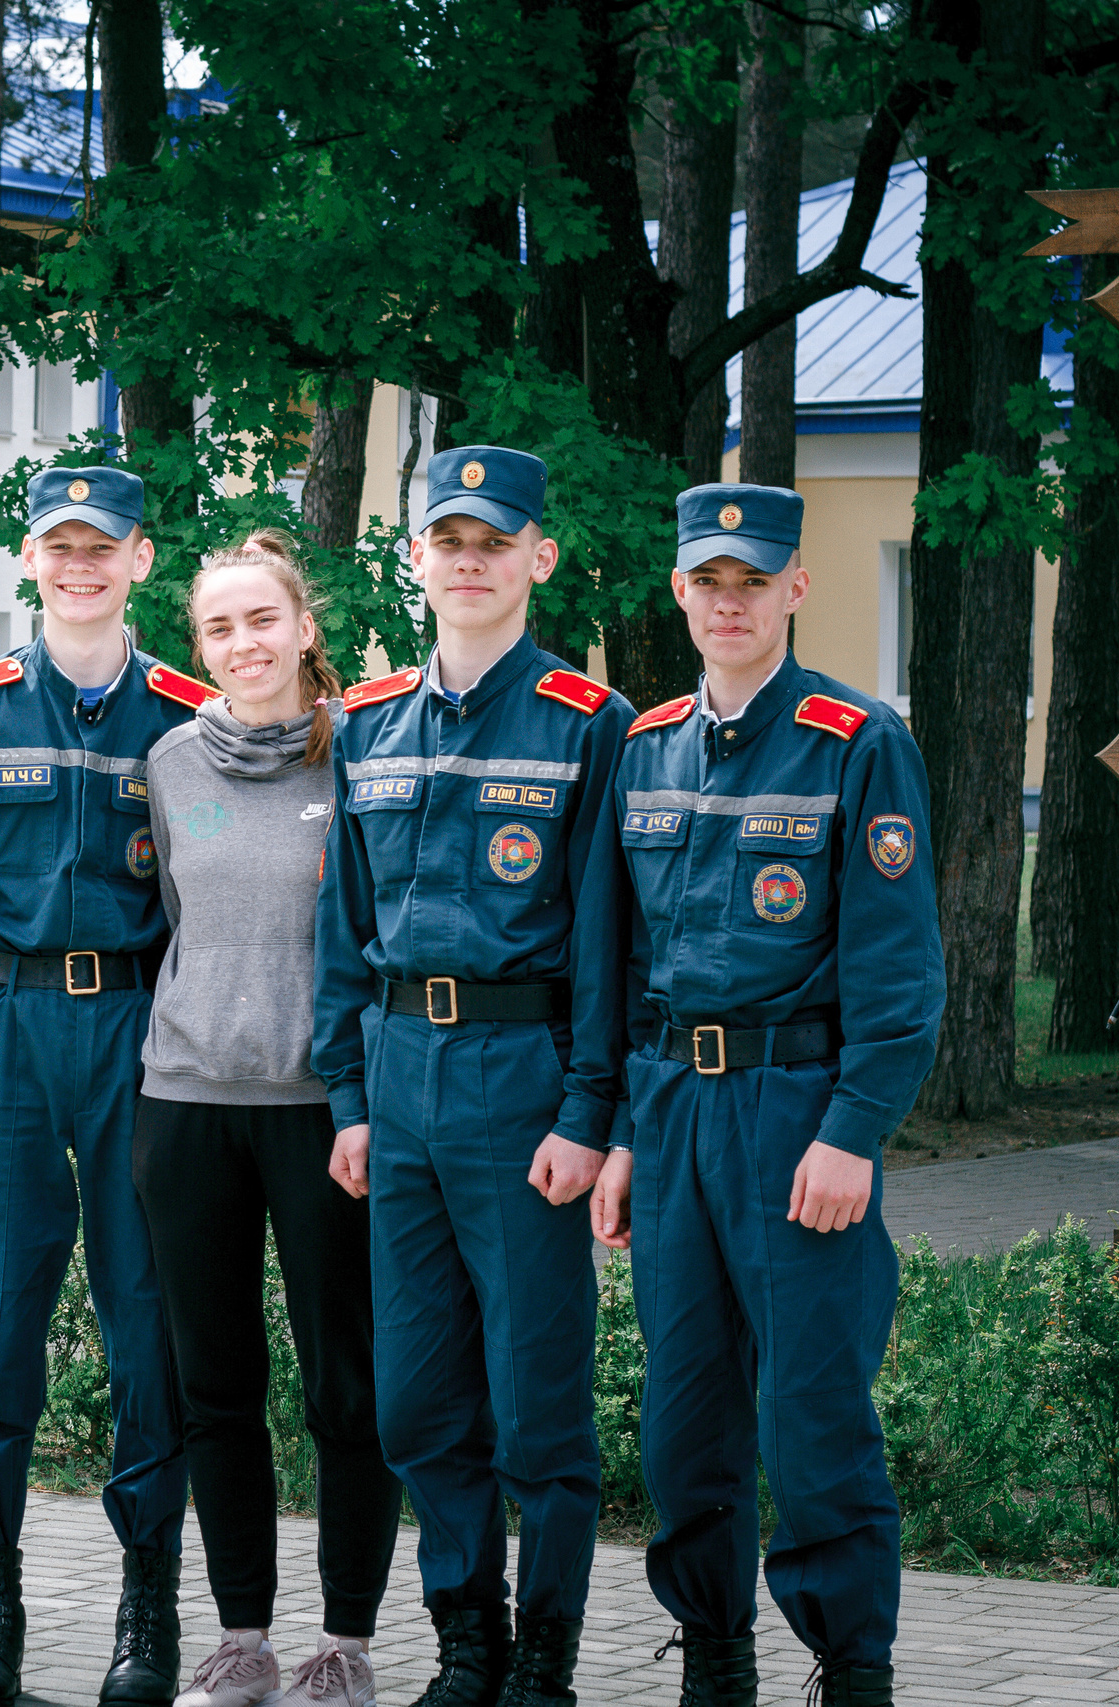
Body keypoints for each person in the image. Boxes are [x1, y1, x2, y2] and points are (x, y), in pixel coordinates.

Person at [590, 485, 940, 1707]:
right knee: (684, 1418)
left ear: (794, 586)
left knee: (810, 1414)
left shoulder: (855, 741)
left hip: (797, 1117)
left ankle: (853, 1668)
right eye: (708, 581)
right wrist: (623, 1135)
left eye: (752, 580)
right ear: (679, 591)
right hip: (672, 1110)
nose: (728, 602)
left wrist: (854, 1132)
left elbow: (900, 972)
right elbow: (629, 969)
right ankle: (714, 1659)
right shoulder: (645, 747)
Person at [311, 446, 633, 1707]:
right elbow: (343, 933)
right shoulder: (369, 724)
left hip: (523, 1077)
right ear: (417, 559)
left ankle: (543, 1652)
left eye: (494, 543)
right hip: (400, 1080)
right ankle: (465, 1639)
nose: (469, 562)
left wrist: (589, 1112)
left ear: (537, 558)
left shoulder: (586, 723)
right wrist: (348, 1101)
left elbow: (610, 942)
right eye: (448, 541)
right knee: (415, 1401)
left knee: (538, 1400)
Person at [0, 464, 211, 1707]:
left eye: (101, 546)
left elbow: (215, 896)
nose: (79, 565)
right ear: (28, 560)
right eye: (58, 545)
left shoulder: (186, 717)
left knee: (147, 1331)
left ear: (139, 561)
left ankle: (147, 1613)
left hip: (140, 1038)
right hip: (2, 1034)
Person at [130, 529, 401, 1707]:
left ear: (304, 628)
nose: (243, 642)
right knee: (215, 1384)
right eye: (219, 627)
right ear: (199, 647)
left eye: (261, 620)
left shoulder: (363, 758)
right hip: (187, 1107)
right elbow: (177, 920)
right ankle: (241, 1639)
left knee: (348, 1384)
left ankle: (344, 1644)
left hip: (320, 1113)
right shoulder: (168, 762)